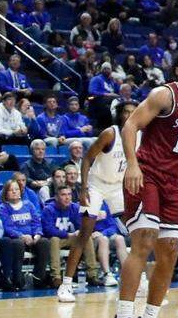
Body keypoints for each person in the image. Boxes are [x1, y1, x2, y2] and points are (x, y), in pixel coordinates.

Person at [118, 49, 178, 318]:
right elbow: (130, 126)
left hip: (171, 183)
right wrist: (132, 165)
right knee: (144, 240)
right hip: (147, 174)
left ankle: (150, 314)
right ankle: (124, 313)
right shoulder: (164, 94)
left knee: (170, 251)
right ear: (177, 69)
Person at [57, 102, 139, 303]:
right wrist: (83, 188)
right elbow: (86, 160)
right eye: (126, 112)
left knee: (139, 232)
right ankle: (66, 285)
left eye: (133, 112)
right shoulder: (110, 134)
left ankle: (140, 281)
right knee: (85, 232)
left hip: (118, 186)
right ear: (119, 115)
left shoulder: (140, 135)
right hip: (96, 185)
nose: (129, 115)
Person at [0, 179, 48, 291]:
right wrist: (22, 236)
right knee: (17, 244)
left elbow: (36, 222)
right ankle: (18, 278)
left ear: (21, 191)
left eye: (16, 189)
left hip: (32, 237)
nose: (14, 192)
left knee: (44, 242)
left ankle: (38, 277)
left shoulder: (28, 205)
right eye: (11, 190)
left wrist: (37, 235)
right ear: (6, 193)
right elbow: (7, 227)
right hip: (15, 238)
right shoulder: (3, 208)